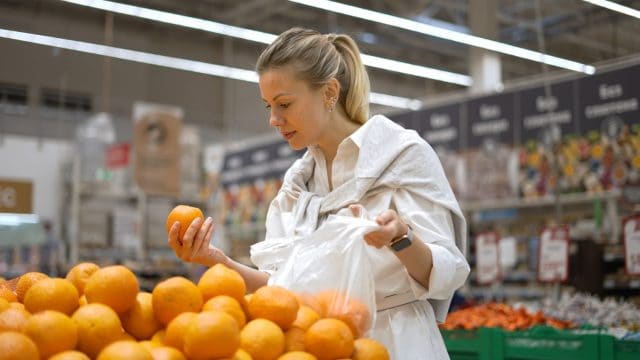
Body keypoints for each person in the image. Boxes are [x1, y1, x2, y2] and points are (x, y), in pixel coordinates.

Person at [168, 27, 470, 359]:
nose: (273, 119)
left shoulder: (402, 155)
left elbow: (448, 271)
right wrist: (217, 260)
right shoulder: (295, 187)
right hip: (316, 344)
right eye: (268, 105)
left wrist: (401, 237)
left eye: (284, 104)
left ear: (329, 92)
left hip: (396, 342)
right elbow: (280, 288)